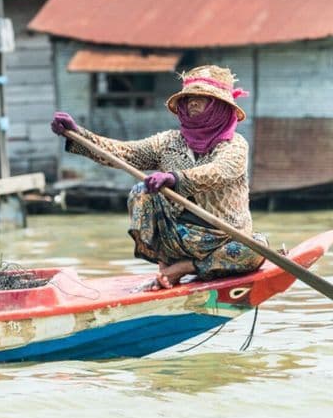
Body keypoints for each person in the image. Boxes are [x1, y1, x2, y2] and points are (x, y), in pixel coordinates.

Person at [50, 65, 267, 289]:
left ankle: (184, 268)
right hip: (178, 238)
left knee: (257, 248)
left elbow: (220, 171)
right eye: (189, 98)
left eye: (201, 98)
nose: (191, 102)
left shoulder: (235, 145)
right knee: (140, 192)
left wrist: (175, 178)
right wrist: (78, 134)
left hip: (223, 240)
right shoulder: (168, 142)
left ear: (219, 106)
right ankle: (165, 264)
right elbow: (124, 153)